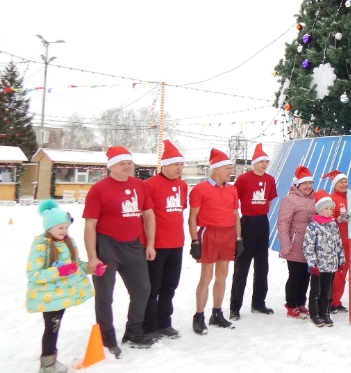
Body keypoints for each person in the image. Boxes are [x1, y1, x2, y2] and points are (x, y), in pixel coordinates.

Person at [83, 145, 156, 355]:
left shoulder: (139, 185)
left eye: (129, 162)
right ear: (111, 166)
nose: (127, 166)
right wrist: (92, 257)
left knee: (142, 289)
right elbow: (90, 224)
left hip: (133, 245)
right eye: (122, 163)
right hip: (107, 246)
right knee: (105, 295)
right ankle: (107, 337)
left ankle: (133, 331)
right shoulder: (99, 189)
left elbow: (149, 214)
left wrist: (150, 244)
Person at [28, 201, 96, 373]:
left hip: (61, 296)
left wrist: (91, 268)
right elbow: (34, 274)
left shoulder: (68, 242)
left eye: (66, 227)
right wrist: (59, 271)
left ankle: (51, 361)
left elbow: (76, 265)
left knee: (54, 328)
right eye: (60, 228)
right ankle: (47, 365)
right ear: (49, 228)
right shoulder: (41, 245)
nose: (64, 231)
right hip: (48, 298)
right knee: (51, 329)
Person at [188, 149, 242, 334]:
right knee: (206, 276)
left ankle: (217, 313)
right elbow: (192, 217)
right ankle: (199, 316)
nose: (230, 171)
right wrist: (195, 241)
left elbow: (235, 214)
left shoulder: (232, 189)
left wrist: (239, 238)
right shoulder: (200, 189)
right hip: (209, 233)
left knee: (222, 274)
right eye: (227, 168)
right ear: (216, 169)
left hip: (228, 234)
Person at [143, 140, 187, 339]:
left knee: (170, 286)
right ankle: (149, 325)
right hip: (156, 245)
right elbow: (145, 216)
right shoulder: (149, 185)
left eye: (181, 164)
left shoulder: (182, 185)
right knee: (152, 288)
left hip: (176, 244)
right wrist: (149, 244)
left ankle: (164, 322)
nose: (179, 168)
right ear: (165, 165)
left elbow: (179, 211)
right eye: (176, 164)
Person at [230, 143, 277, 320]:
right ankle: (235, 306)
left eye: (266, 162)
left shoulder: (270, 180)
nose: (264, 165)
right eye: (261, 161)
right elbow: (234, 201)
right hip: (247, 222)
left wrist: (261, 212)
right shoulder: (243, 179)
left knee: (262, 265)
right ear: (254, 162)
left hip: (262, 222)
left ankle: (258, 302)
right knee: (242, 266)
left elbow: (269, 201)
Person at [276, 166, 317, 318]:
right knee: (295, 275)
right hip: (295, 244)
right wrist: (285, 244)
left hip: (310, 245)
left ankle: (301, 303)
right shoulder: (289, 200)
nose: (308, 186)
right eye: (304, 183)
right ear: (297, 185)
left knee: (306, 276)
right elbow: (283, 223)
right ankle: (291, 305)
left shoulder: (314, 199)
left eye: (310, 183)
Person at [303, 191, 345, 327]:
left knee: (327, 291)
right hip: (319, 265)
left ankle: (325, 313)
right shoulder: (313, 226)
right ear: (320, 209)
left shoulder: (333, 225)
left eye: (331, 208)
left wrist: (340, 260)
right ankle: (315, 313)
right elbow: (308, 246)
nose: (329, 211)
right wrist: (312, 264)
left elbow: (338, 243)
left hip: (331, 264)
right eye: (326, 208)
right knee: (316, 291)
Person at [321, 169, 351, 314]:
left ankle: (336, 301)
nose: (344, 184)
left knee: (343, 273)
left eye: (345, 181)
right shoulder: (331, 199)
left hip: (348, 241)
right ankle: (328, 301)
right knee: (334, 274)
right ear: (334, 184)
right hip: (335, 243)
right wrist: (338, 219)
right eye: (341, 182)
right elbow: (325, 218)